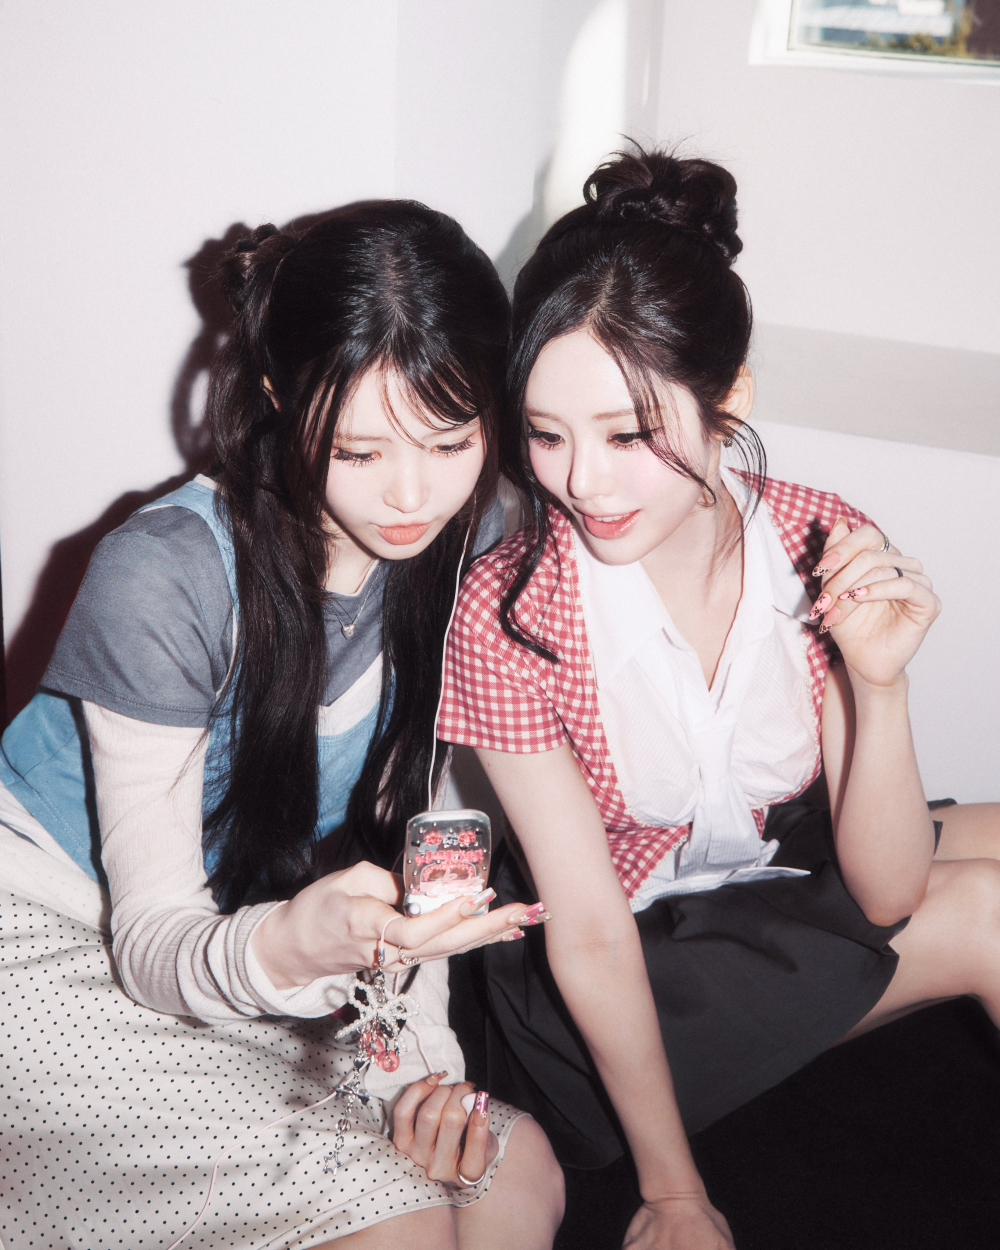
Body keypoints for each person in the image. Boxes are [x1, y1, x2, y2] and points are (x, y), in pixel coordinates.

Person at [436, 149, 1000, 1250]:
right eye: (545, 433)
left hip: (764, 859)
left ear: (727, 398)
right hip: (611, 974)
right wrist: (674, 1193)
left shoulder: (817, 532)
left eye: (628, 433)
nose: (582, 481)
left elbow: (884, 888)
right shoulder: (507, 614)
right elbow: (590, 934)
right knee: (985, 910)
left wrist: (879, 687)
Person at [0, 202, 563, 1249]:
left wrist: (418, 1071)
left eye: (451, 439)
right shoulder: (164, 574)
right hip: (49, 930)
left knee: (509, 1170)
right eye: (357, 449)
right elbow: (152, 944)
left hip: (254, 943)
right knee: (396, 1222)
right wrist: (292, 946)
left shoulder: (479, 529)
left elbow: (421, 829)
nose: (411, 493)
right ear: (276, 397)